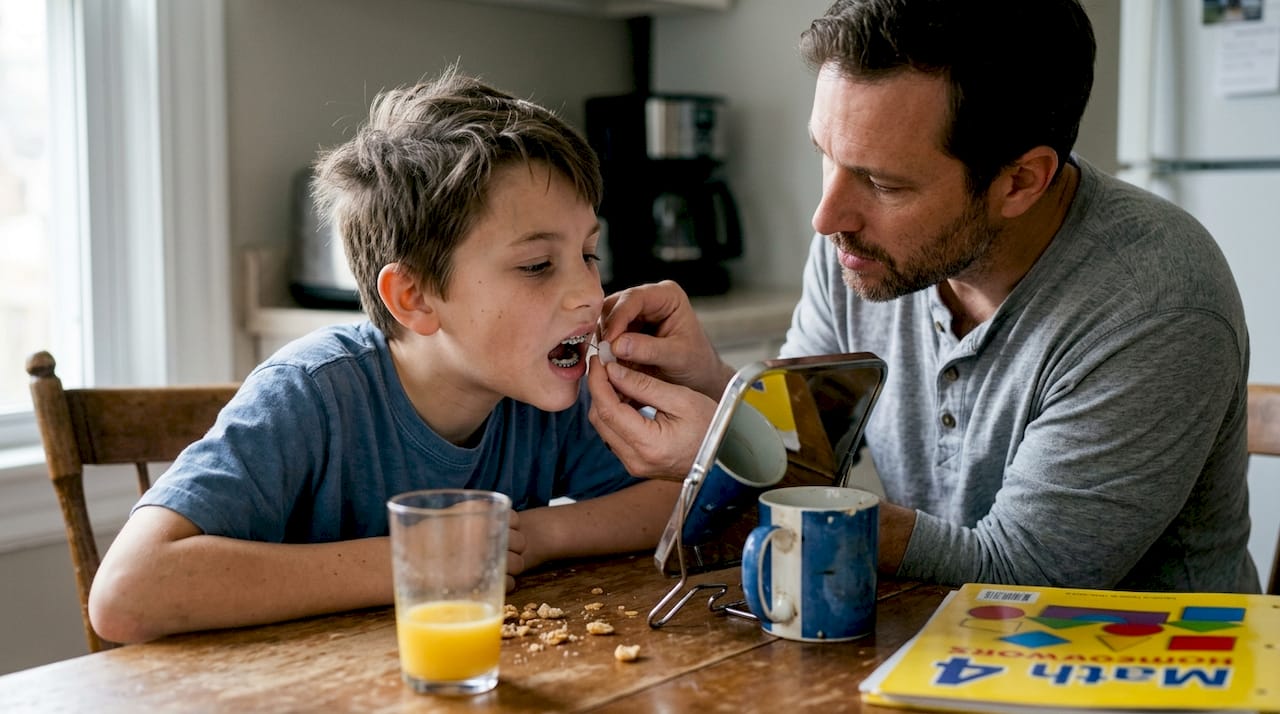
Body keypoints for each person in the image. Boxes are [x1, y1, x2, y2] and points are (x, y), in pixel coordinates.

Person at [586, 0, 1260, 593]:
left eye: (884, 184)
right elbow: (808, 444)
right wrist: (714, 387)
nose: (827, 218)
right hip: (931, 645)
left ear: (1021, 181)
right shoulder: (863, 245)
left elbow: (1025, 574)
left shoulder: (1156, 301)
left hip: (1134, 674)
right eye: (827, 154)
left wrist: (733, 470)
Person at [88, 67, 681, 644]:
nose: (589, 294)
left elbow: (676, 500)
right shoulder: (309, 394)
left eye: (588, 255)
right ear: (415, 298)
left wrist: (531, 534)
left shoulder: (543, 389)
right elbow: (125, 593)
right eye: (537, 266)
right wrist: (419, 558)